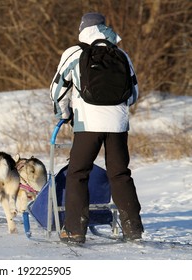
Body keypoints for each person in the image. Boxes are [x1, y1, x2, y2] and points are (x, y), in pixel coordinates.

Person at [49, 12, 144, 244]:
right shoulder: (121, 54)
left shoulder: (74, 53)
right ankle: (133, 229)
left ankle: (74, 230)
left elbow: (57, 90)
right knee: (120, 174)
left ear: (83, 29)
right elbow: (134, 94)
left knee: (78, 173)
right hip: (118, 125)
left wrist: (65, 113)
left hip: (88, 124)